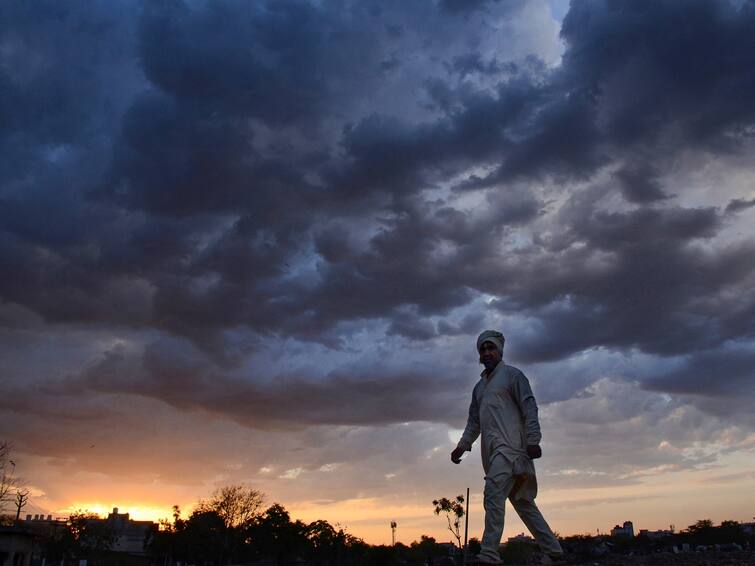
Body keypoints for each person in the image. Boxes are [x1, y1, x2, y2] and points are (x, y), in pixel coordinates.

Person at [451, 330, 563, 565]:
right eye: (483, 349)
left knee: (493, 494)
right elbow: (474, 422)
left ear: (500, 350)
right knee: (523, 503)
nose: (487, 353)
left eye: (491, 348)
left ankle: (489, 553)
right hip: (492, 454)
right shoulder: (479, 388)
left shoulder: (513, 376)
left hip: (513, 449)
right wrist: (462, 446)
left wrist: (534, 440)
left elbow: (529, 407)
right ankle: (553, 550)